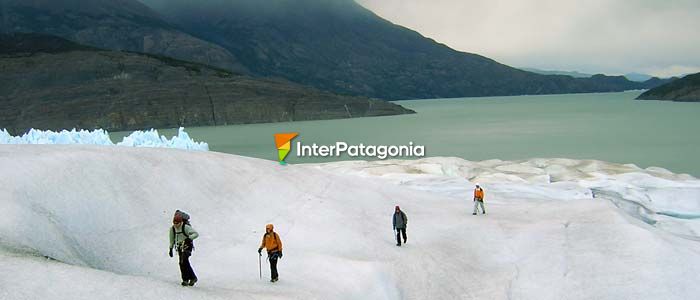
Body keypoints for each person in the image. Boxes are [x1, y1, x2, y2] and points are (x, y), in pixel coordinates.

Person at [169, 211, 199, 286]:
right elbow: (172, 239)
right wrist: (170, 248)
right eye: (174, 223)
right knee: (184, 262)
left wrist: (189, 238)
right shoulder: (172, 229)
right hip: (179, 247)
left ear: (181, 222)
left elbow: (196, 234)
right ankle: (192, 278)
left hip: (187, 246)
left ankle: (185, 280)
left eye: (177, 223)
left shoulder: (185, 227)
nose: (176, 225)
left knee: (183, 261)